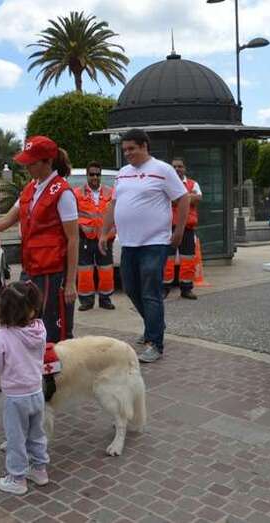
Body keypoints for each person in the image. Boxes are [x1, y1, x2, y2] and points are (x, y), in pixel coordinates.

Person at [0, 136, 78, 343]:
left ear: (47, 161)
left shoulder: (62, 192)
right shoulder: (31, 188)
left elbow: (73, 239)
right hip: (30, 268)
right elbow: (7, 220)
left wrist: (71, 282)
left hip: (52, 271)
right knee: (25, 322)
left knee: (52, 329)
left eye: (32, 162)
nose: (26, 166)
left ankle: (54, 372)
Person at [99, 129, 189, 363]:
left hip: (155, 242)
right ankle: (154, 323)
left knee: (150, 291)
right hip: (128, 242)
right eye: (124, 149)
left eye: (131, 149)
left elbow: (184, 198)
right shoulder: (123, 173)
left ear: (144, 146)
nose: (127, 153)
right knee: (131, 289)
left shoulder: (163, 170)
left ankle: (155, 343)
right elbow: (114, 204)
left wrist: (178, 231)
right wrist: (103, 232)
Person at [0, 281, 50, 495]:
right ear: (33, 308)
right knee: (37, 433)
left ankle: (17, 478)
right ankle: (39, 469)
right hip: (37, 392)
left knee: (16, 437)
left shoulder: (2, 337)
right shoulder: (40, 330)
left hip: (15, 398)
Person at [74, 161, 115, 311]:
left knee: (106, 270)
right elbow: (72, 215)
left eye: (98, 174)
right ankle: (86, 301)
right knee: (85, 270)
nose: (95, 177)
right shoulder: (77, 193)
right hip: (85, 238)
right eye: (92, 174)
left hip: (106, 238)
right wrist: (79, 228)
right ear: (87, 175)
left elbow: (116, 212)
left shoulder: (111, 192)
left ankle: (105, 299)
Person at [163, 157, 203, 300]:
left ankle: (186, 289)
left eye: (180, 166)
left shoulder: (193, 183)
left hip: (187, 228)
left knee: (188, 259)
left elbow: (198, 198)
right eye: (174, 166)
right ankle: (165, 287)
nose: (177, 169)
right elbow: (171, 200)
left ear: (184, 168)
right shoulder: (166, 183)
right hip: (169, 227)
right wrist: (187, 198)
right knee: (167, 259)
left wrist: (179, 198)